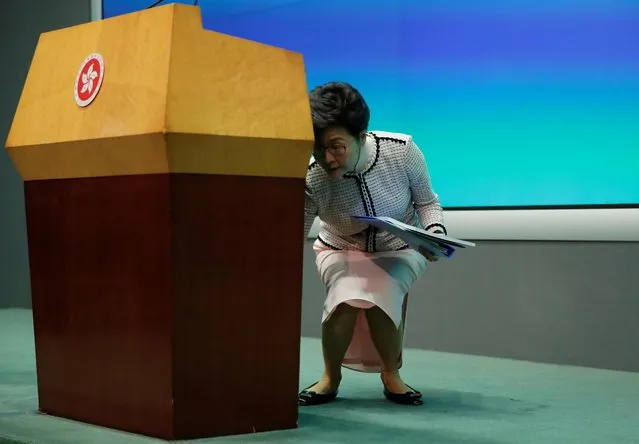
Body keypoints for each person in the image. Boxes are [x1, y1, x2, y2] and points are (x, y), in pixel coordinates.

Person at [299, 81, 447, 407]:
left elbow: (427, 203)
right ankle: (329, 377)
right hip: (338, 248)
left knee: (382, 293)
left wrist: (434, 233)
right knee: (344, 298)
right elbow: (297, 226)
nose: (327, 158)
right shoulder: (311, 175)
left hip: (400, 246)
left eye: (337, 146)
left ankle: (391, 376)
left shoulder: (402, 150)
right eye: (317, 148)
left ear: (361, 135)